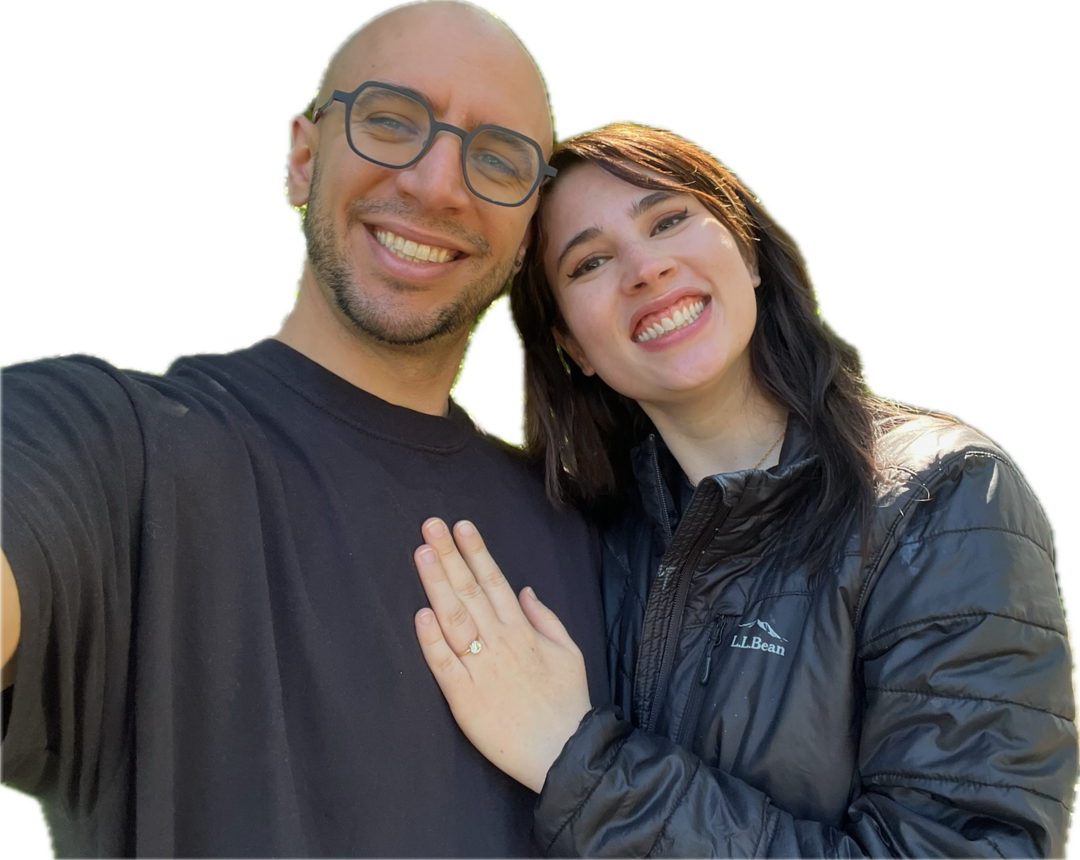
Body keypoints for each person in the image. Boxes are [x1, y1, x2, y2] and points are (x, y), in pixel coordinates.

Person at [0, 2, 609, 857]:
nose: (437, 184)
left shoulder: (595, 537)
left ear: (525, 235)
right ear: (301, 157)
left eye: (499, 157)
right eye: (393, 121)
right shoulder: (114, 447)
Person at [409, 120, 1079, 858]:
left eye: (668, 220)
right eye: (590, 262)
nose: (645, 268)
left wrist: (581, 764)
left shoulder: (943, 501)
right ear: (572, 346)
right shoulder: (589, 538)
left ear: (748, 250)